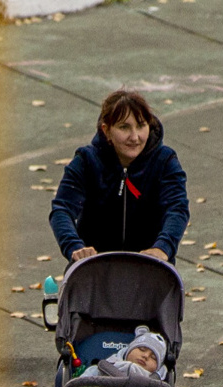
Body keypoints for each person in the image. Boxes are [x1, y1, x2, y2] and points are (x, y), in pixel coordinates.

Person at [50, 90, 190, 265]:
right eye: (124, 127)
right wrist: (75, 247)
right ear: (106, 130)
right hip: (93, 268)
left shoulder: (165, 161)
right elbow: (62, 209)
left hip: (149, 268)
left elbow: (177, 208)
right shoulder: (86, 160)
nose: (135, 137)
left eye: (141, 125)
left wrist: (163, 248)